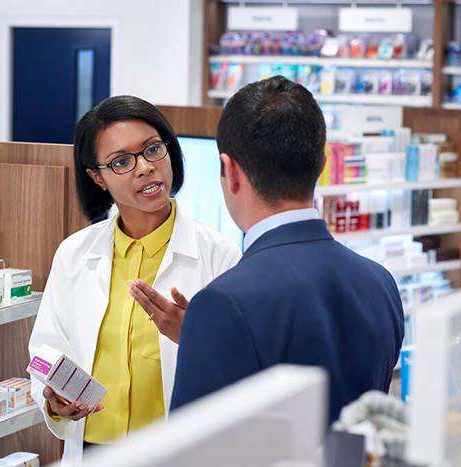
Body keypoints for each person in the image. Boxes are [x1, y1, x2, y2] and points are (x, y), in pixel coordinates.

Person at [167, 76, 404, 424]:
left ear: (230, 171)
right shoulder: (380, 282)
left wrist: (207, 336)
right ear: (322, 164)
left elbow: (188, 455)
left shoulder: (224, 303)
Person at [28, 95, 241, 465]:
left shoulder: (219, 256)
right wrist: (56, 402)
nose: (145, 168)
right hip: (94, 451)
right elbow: (46, 352)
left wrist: (194, 336)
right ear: (98, 178)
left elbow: (243, 373)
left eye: (153, 150)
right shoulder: (74, 254)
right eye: (122, 162)